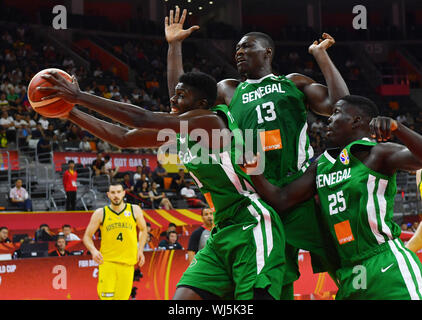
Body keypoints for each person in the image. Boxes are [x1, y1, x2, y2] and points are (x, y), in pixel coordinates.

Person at [39, 70, 286, 300]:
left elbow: (142, 118)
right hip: (223, 228)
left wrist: (80, 97)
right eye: (174, 93)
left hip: (251, 223)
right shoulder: (181, 131)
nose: (173, 98)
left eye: (181, 95)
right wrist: (70, 112)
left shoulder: (210, 121)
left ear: (200, 104)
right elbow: (122, 138)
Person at [165, 7, 349, 298]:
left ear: (267, 52)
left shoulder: (293, 83)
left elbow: (342, 106)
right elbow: (181, 103)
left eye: (247, 45)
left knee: (344, 255)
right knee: (276, 277)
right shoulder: (228, 89)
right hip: (255, 194)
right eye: (237, 47)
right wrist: (174, 46)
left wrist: (321, 56)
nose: (239, 51)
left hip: (296, 189)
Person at [245, 95, 422, 299]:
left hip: (385, 262)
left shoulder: (378, 153)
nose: (328, 118)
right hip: (349, 272)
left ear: (356, 121)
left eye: (336, 113)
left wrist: (398, 128)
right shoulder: (322, 164)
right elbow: (281, 200)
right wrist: (252, 166)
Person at [82, 183, 148, 300]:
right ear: (108, 195)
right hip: (108, 263)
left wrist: (141, 250)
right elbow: (87, 236)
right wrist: (93, 251)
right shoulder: (100, 213)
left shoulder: (135, 210)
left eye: (118, 192)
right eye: (112, 192)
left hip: (128, 264)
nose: (116, 195)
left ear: (123, 193)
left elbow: (143, 230)